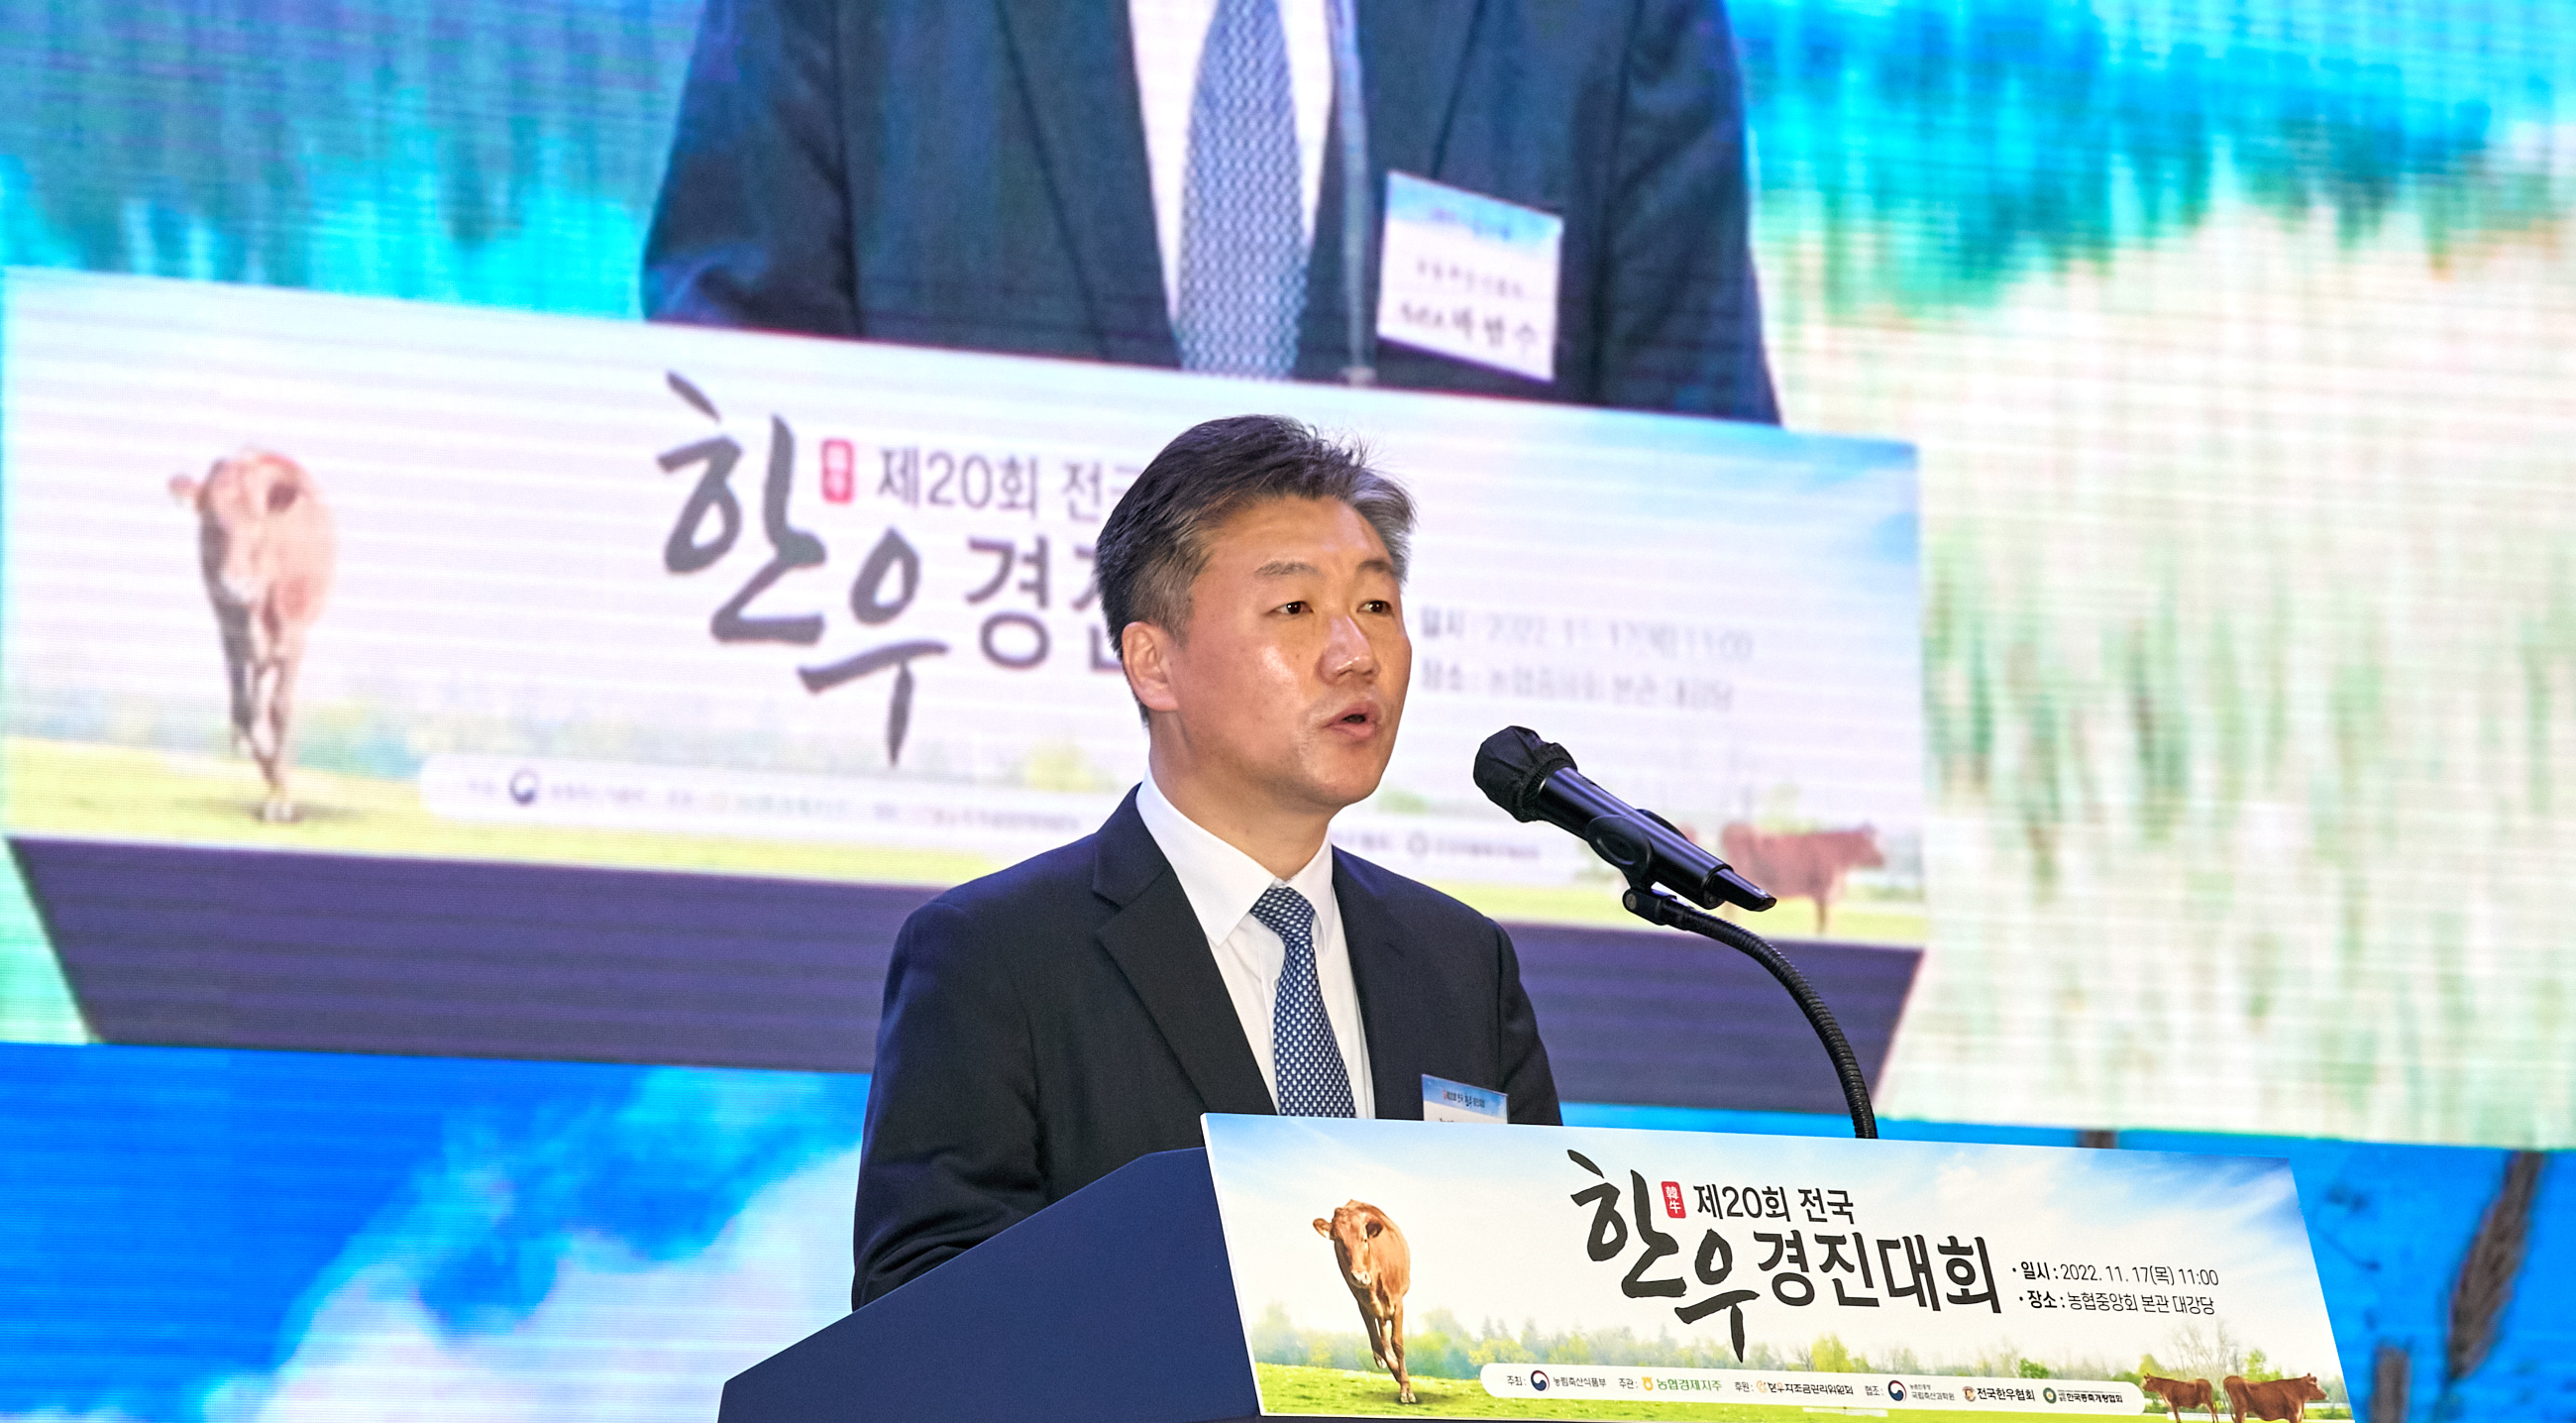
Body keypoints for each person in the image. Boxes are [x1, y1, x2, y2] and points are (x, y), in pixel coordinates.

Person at [850, 416, 1559, 1305]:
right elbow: (923, 1308)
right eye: (1295, 609)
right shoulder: (994, 957)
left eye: (1376, 606)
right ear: (1153, 664)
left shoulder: (1462, 964)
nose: (1356, 654)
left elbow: (1544, 1275)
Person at [644, 0, 1778, 423]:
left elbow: (1704, 474)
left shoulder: (1608, 21)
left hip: (1450, 852)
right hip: (968, 826)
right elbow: (727, 395)